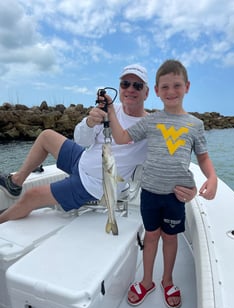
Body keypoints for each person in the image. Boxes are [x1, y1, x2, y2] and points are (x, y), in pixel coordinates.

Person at [0, 63, 196, 224]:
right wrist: (89, 122)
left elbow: (173, 158)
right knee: (46, 136)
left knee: (31, 196)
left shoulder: (152, 126)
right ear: (120, 88)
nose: (130, 89)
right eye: (125, 84)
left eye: (137, 86)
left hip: (95, 184)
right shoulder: (109, 110)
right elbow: (81, 140)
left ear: (146, 93)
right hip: (81, 159)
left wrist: (189, 186)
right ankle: (16, 182)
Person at [102, 59, 218, 308]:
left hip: (176, 196)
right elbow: (122, 138)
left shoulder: (195, 125)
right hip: (150, 194)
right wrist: (111, 110)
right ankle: (146, 281)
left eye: (176, 85)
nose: (171, 91)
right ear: (155, 91)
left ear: (187, 86)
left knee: (171, 238)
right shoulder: (151, 121)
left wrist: (212, 177)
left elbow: (204, 157)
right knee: (151, 236)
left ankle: (167, 280)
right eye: (164, 87)